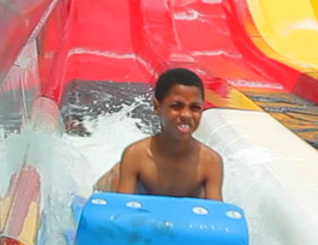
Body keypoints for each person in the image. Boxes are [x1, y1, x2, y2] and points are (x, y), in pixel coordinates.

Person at [93, 68, 223, 200]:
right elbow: (122, 211)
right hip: (132, 188)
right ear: (157, 107)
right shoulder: (136, 155)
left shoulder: (210, 162)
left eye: (195, 107)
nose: (186, 115)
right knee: (116, 177)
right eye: (176, 106)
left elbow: (216, 215)